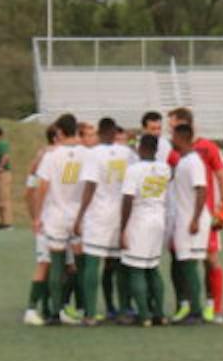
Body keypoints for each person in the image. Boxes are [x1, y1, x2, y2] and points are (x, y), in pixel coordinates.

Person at [165, 106, 223, 322]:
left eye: (172, 125)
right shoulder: (175, 152)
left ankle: (213, 307)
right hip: (181, 216)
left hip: (205, 215)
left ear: (184, 123)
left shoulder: (208, 148)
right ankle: (185, 304)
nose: (169, 129)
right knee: (180, 260)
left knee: (210, 260)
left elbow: (221, 176)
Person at [72, 117, 134, 320]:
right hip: (121, 213)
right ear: (115, 133)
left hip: (99, 214)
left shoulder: (93, 154)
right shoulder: (128, 154)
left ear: (99, 133)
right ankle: (123, 310)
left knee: (92, 261)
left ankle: (90, 313)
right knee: (119, 263)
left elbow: (90, 186)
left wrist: (79, 216)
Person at [32, 112, 91, 323]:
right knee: (80, 264)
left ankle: (55, 312)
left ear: (59, 131)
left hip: (56, 214)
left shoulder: (52, 155)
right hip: (79, 215)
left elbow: (42, 186)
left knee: (56, 263)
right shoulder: (87, 153)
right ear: (76, 129)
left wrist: (37, 215)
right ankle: (86, 309)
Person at [117, 132, 171, 326]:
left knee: (136, 269)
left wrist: (122, 229)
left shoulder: (134, 170)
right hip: (159, 219)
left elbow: (128, 199)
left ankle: (145, 314)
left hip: (139, 220)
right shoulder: (165, 169)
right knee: (153, 268)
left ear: (140, 148)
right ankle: (160, 313)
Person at [167, 121, 212, 323]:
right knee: (186, 264)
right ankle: (192, 308)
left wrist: (195, 219)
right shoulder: (184, 160)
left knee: (189, 265)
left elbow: (201, 189)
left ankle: (196, 310)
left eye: (173, 135)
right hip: (184, 219)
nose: (171, 139)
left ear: (181, 138)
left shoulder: (193, 161)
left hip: (192, 221)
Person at [20, 124, 62, 326]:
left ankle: (50, 308)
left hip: (56, 218)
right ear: (56, 137)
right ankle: (33, 308)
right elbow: (30, 191)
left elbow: (28, 190)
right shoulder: (46, 159)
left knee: (57, 265)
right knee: (46, 264)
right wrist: (36, 217)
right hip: (50, 220)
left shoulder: (49, 158)